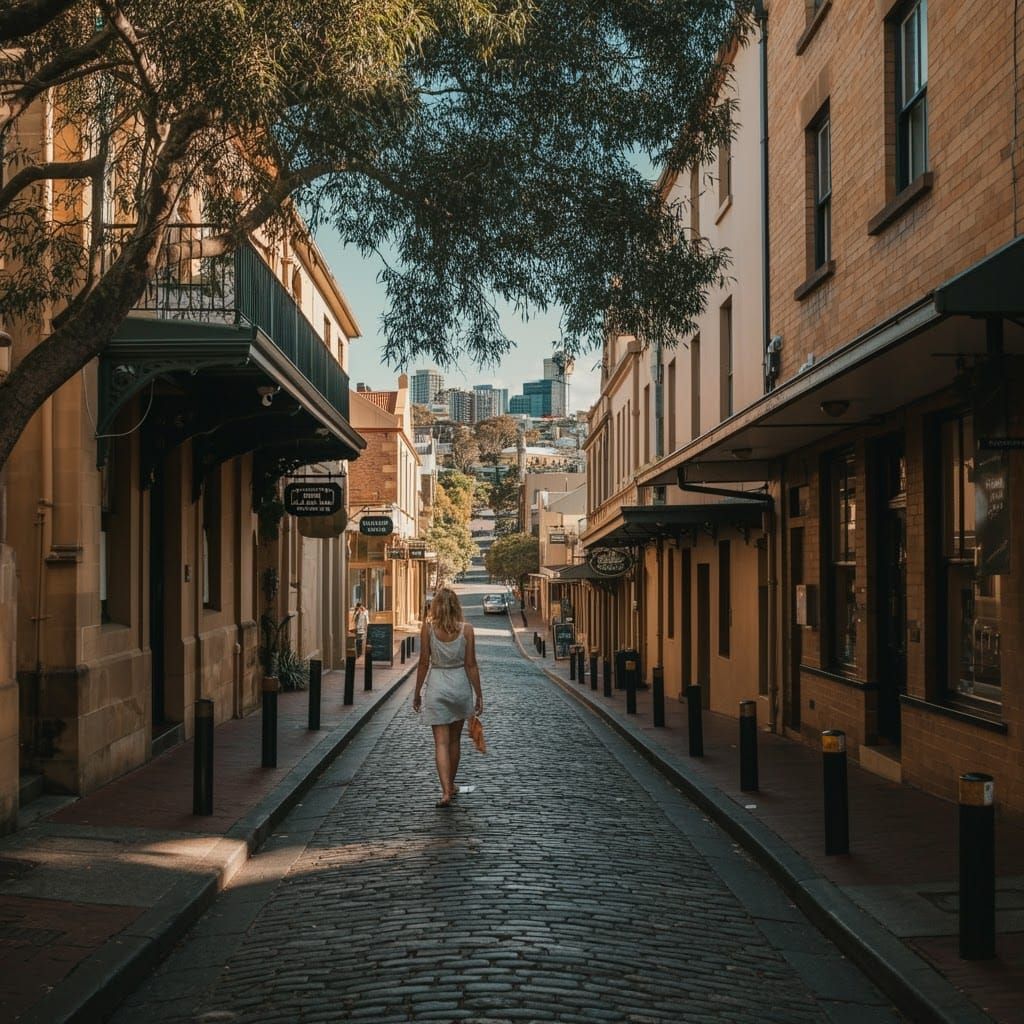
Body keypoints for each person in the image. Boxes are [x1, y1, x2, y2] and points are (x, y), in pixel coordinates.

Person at [412, 587, 484, 807]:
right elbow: (471, 664)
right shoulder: (467, 630)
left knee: (441, 743)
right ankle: (451, 785)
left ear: (436, 607)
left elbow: (423, 662)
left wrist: (417, 693)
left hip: (437, 686)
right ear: (456, 606)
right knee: (454, 741)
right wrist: (479, 695)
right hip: (460, 686)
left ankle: (445, 792)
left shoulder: (428, 629)